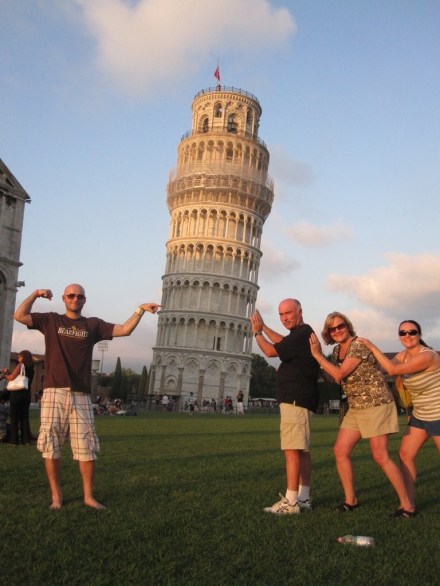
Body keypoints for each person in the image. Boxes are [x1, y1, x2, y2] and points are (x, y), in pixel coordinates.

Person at [14, 284, 161, 510]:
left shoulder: (92, 325)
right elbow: (20, 315)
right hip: (54, 391)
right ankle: (56, 496)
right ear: (64, 298)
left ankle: (88, 496)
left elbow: (124, 330)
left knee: (86, 447)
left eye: (79, 296)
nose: (75, 299)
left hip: (81, 393)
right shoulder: (51, 320)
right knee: (50, 445)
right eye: (71, 295)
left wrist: (140, 310)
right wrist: (35, 294)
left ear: (84, 300)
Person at [310, 312, 415, 517]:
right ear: (328, 332)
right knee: (340, 451)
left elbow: (340, 373)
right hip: (356, 407)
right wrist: (317, 366)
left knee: (380, 456)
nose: (338, 331)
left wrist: (316, 355)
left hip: (375, 403)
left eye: (341, 326)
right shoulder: (336, 351)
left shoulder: (358, 345)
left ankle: (407, 505)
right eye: (333, 329)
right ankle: (351, 500)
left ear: (348, 326)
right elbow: (334, 379)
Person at [359, 320, 440, 512]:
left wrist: (371, 345)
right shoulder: (402, 356)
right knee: (405, 455)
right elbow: (382, 370)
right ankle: (408, 505)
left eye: (412, 332)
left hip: (438, 414)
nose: (408, 335)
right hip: (420, 415)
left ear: (419, 334)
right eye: (403, 333)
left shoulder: (428, 355)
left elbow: (393, 370)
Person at [251, 299, 320, 514]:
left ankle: (291, 502)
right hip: (302, 398)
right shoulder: (300, 335)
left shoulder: (301, 333)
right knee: (302, 450)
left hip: (295, 399)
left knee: (291, 450)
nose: (284, 318)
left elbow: (272, 352)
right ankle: (304, 498)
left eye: (288, 313)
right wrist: (264, 327)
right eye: (281, 315)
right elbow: (282, 343)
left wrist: (257, 333)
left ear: (300, 312)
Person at [1, 350, 34, 445]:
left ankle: (14, 441)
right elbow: (20, 377)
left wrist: (5, 376)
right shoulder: (31, 368)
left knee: (14, 417)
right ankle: (26, 440)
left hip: (17, 394)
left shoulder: (20, 365)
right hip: (26, 395)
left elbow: (11, 378)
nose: (18, 358)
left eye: (19, 356)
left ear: (23, 357)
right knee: (24, 417)